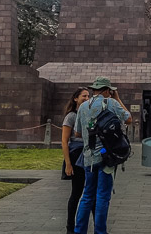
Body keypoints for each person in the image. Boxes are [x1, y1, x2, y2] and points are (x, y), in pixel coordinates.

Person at [73, 76, 132, 234]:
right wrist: (118, 99)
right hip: (107, 157)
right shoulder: (112, 103)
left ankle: (79, 230)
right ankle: (100, 231)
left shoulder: (83, 106)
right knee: (103, 196)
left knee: (87, 195)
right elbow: (129, 119)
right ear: (107, 90)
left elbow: (77, 132)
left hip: (89, 157)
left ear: (94, 90)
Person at [62, 87, 90, 234]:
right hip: (76, 156)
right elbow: (65, 141)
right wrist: (68, 164)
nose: (87, 98)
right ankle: (70, 228)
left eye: (88, 96)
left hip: (89, 155)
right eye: (83, 96)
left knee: (90, 192)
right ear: (75, 98)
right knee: (76, 193)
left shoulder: (88, 114)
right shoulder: (71, 116)